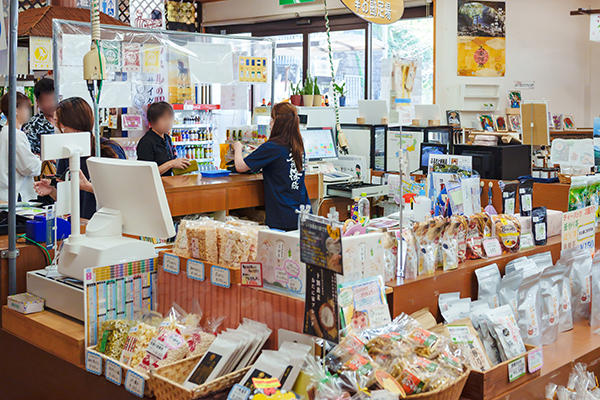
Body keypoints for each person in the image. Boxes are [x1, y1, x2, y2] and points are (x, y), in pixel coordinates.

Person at [34, 97, 126, 219]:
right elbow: (68, 201)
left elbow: (122, 194)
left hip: (105, 224)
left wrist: (87, 186)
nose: (55, 128)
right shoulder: (66, 155)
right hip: (77, 225)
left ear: (74, 126)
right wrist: (51, 191)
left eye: (58, 122)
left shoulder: (108, 151)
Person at [233, 102, 310, 231]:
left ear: (278, 123)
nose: (270, 123)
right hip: (302, 214)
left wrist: (237, 148)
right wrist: (259, 151)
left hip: (282, 216)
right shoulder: (297, 145)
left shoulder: (272, 146)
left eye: (272, 119)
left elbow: (240, 166)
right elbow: (280, 159)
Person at [0, 92, 42, 202]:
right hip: (15, 195)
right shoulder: (16, 134)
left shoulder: (4, 132)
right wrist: (38, 159)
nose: (29, 111)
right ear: (16, 110)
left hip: (5, 194)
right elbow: (30, 167)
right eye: (27, 107)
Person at [137, 101, 190, 176]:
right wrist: (170, 164)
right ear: (153, 121)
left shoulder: (167, 138)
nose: (169, 123)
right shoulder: (146, 142)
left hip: (168, 183)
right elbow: (146, 173)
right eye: (164, 119)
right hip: (154, 186)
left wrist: (182, 166)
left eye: (170, 119)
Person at [22, 78, 56, 154]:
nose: (52, 104)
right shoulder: (32, 126)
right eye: (47, 100)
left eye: (54, 99)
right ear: (38, 102)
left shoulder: (66, 120)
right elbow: (29, 155)